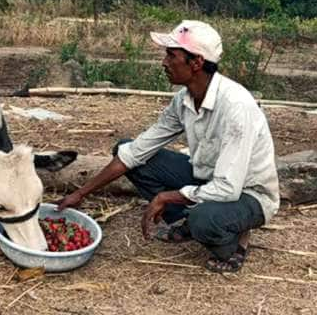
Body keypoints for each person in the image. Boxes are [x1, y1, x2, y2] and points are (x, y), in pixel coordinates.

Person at [56, 20, 279, 273]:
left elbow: (228, 187)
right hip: (208, 178)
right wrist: (81, 193)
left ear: (195, 62)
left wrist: (167, 196)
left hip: (247, 194)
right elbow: (136, 151)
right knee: (127, 151)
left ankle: (236, 240)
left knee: (203, 220)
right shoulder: (183, 100)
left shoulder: (236, 107)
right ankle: (191, 219)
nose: (164, 62)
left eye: (171, 55)